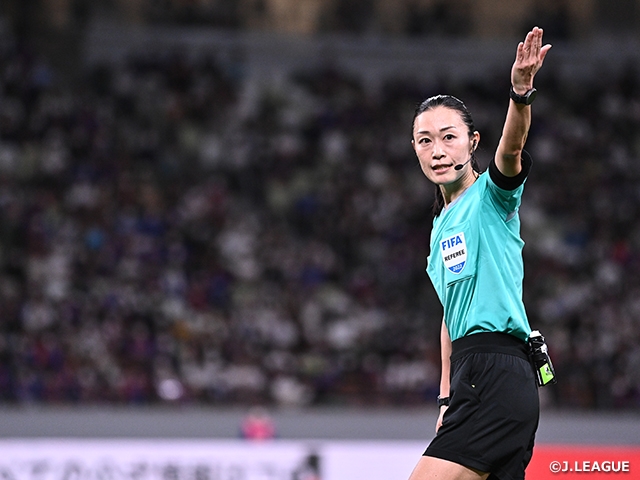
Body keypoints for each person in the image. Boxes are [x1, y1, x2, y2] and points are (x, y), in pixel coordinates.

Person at [408, 27, 552, 480]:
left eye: (448, 137)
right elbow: (450, 320)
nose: (436, 150)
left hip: (498, 371)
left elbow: (511, 148)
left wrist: (520, 94)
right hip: (476, 379)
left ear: (472, 142)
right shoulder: (438, 230)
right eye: (424, 140)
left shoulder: (492, 196)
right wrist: (446, 398)